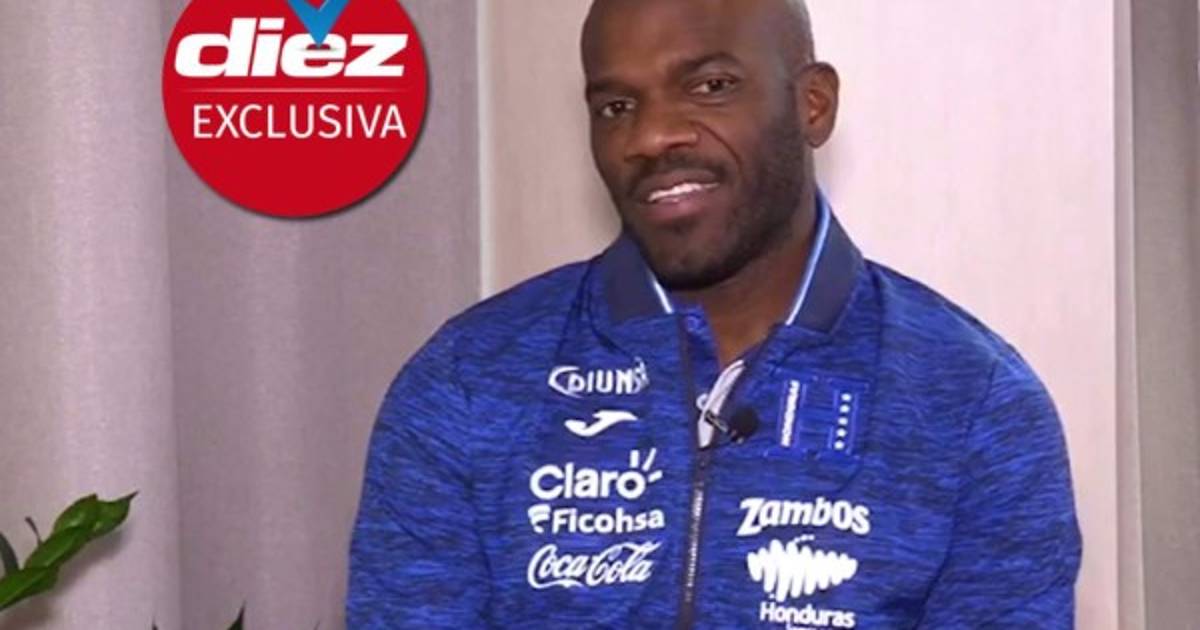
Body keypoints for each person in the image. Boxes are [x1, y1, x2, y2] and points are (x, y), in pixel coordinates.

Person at [346, 0, 1082, 627]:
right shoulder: (468, 382)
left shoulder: (973, 403)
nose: (650, 137)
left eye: (710, 86)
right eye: (616, 106)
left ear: (812, 104)